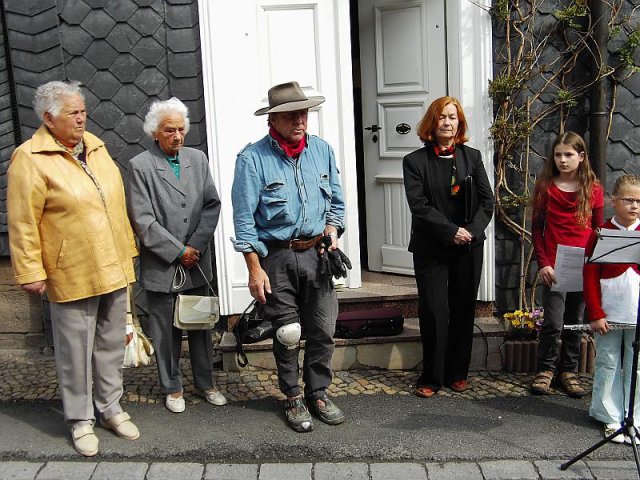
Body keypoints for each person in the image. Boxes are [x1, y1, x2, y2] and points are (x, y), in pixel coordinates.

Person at [7, 81, 140, 456]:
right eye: (72, 112)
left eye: (82, 110)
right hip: (72, 269)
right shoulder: (29, 157)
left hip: (112, 263)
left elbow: (114, 203)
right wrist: (31, 270)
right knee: (76, 351)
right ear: (49, 118)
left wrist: (128, 249)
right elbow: (22, 222)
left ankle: (111, 407)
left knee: (112, 344)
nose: (81, 118)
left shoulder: (95, 147)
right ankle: (81, 419)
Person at [231, 81, 346, 432]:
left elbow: (337, 205)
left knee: (324, 329)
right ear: (273, 120)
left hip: (318, 253)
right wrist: (254, 270)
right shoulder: (252, 160)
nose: (300, 120)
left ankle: (319, 392)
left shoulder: (323, 151)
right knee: (288, 332)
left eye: (303, 113)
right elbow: (243, 221)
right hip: (277, 258)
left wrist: (332, 234)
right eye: (290, 115)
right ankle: (293, 396)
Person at [126, 98, 227, 414]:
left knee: (200, 328)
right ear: (155, 132)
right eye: (170, 130)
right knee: (166, 334)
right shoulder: (140, 166)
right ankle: (173, 388)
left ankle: (206, 382)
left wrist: (194, 246)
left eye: (182, 129)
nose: (178, 136)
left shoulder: (197, 160)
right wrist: (177, 251)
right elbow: (143, 220)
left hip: (196, 263)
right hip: (163, 266)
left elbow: (211, 204)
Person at [402, 96, 494, 398]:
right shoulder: (414, 162)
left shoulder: (473, 157)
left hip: (468, 245)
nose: (447, 122)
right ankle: (431, 377)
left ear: (460, 123)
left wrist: (470, 231)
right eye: (441, 116)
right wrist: (450, 230)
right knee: (433, 310)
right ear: (432, 122)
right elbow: (420, 206)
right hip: (431, 247)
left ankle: (458, 373)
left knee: (463, 308)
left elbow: (486, 201)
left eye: (452, 117)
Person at [530, 131, 604, 397]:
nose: (562, 160)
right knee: (553, 321)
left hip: (583, 266)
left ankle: (568, 370)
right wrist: (544, 263)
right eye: (558, 154)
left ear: (581, 157)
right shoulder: (546, 187)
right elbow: (537, 230)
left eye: (569, 155)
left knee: (576, 320)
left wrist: (594, 263)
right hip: (555, 267)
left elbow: (598, 228)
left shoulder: (593, 189)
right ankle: (545, 369)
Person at [584, 174, 640, 444]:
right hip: (608, 313)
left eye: (639, 201)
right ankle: (609, 415)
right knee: (607, 362)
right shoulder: (601, 234)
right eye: (628, 200)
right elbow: (590, 276)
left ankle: (635, 417)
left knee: (637, 366)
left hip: (637, 314)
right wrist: (595, 313)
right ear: (613, 201)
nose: (634, 206)